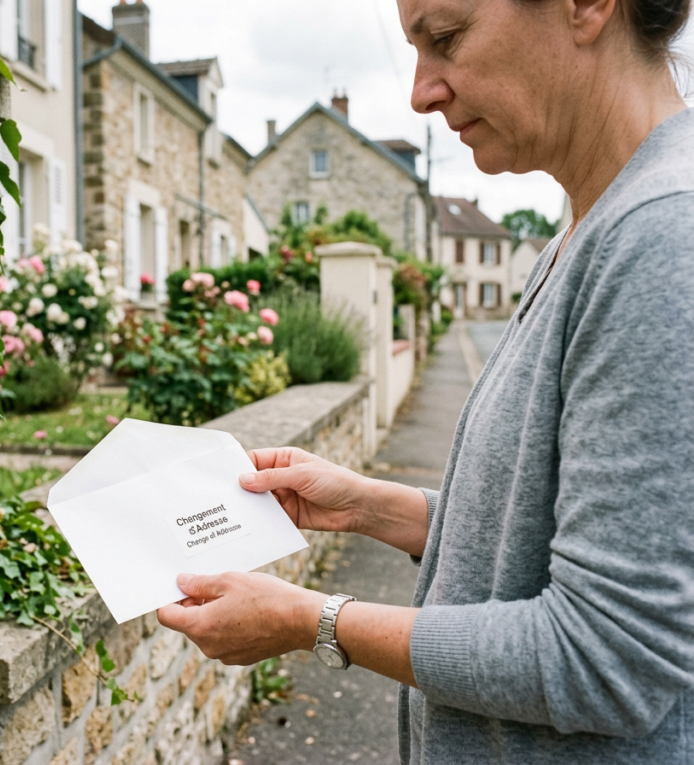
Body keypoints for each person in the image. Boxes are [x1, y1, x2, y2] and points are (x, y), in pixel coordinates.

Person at [157, 0, 694, 759]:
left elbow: (605, 656)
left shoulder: (663, 236)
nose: (421, 91)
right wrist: (377, 507)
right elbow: (542, 531)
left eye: (445, 37)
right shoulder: (586, 226)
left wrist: (312, 618)